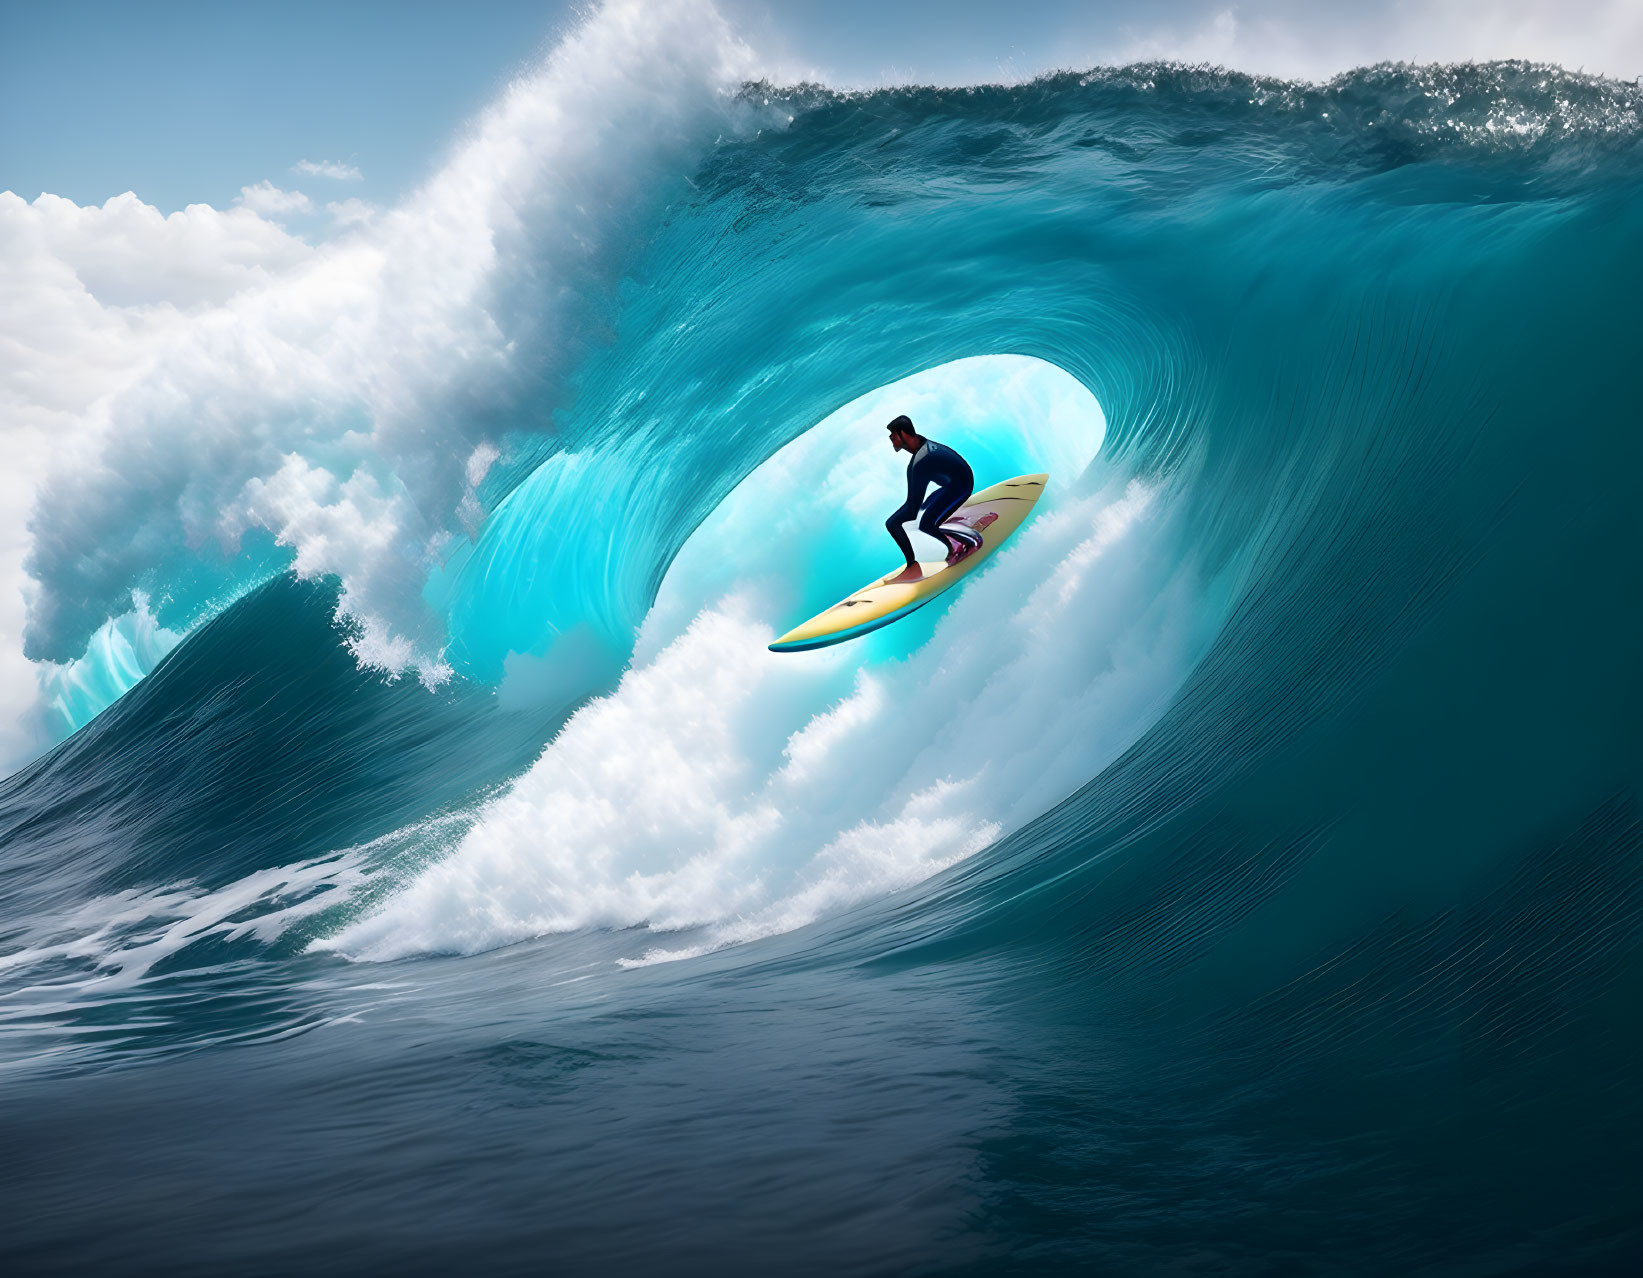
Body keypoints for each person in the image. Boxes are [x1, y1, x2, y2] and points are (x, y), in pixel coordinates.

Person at [884, 415, 981, 575]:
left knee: (924, 524)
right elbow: (915, 507)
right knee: (922, 516)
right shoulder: (921, 447)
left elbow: (912, 508)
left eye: (893, 433)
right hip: (951, 484)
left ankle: (965, 543)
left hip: (962, 485)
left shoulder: (921, 462)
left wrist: (893, 523)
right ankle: (958, 525)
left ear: (903, 433)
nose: (890, 437)